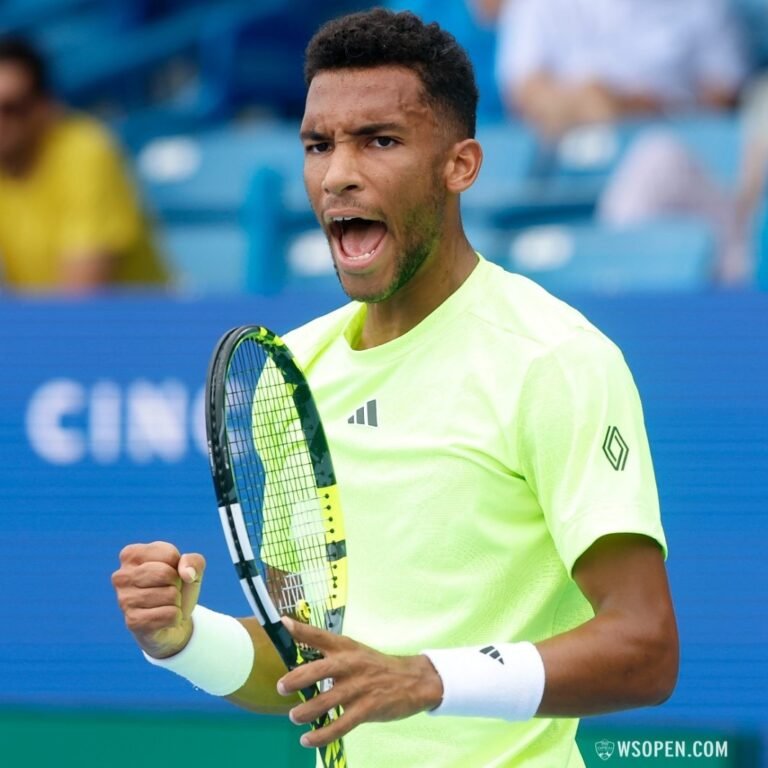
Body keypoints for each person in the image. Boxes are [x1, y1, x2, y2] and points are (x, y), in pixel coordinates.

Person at [111, 9, 678, 767]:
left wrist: (427, 678)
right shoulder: (292, 372)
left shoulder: (555, 359)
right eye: (319, 145)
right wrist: (183, 640)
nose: (339, 171)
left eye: (379, 140)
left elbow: (645, 648)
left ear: (461, 165)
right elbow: (307, 661)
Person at [0, 37, 167, 293]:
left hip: (143, 329)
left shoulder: (85, 152)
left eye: (12, 108)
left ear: (45, 107)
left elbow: (81, 297)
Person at [493, 0, 747, 139]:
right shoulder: (535, 6)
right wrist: (593, 104)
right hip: (558, 153)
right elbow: (524, 93)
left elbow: (721, 105)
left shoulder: (705, 6)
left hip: (668, 143)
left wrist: (630, 108)